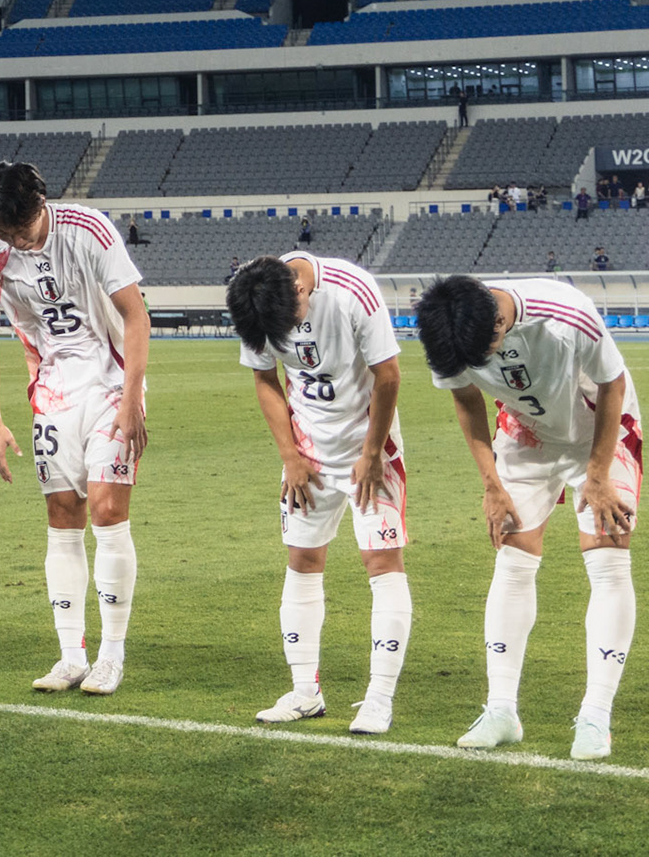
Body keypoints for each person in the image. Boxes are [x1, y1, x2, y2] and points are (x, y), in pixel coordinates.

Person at [416, 276, 640, 761]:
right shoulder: (449, 332)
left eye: (487, 351)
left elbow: (612, 383)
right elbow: (465, 398)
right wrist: (491, 483)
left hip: (598, 426)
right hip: (525, 432)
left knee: (606, 557)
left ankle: (596, 717)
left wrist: (598, 473)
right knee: (512, 558)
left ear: (499, 322)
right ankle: (501, 711)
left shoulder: (566, 314)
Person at [0, 161, 150, 696]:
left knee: (108, 509)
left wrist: (133, 398)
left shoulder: (88, 230)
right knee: (62, 513)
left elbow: (135, 315)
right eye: (2, 232)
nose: (13, 241)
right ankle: (72, 655)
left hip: (114, 380)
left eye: (18, 230)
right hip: (52, 388)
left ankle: (111, 656)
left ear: (40, 208)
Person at [226, 254, 411, 735]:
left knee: (381, 561)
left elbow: (388, 374)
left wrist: (372, 454)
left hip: (370, 446)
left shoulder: (354, 291)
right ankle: (306, 692)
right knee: (303, 559)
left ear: (301, 290)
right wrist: (290, 455)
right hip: (308, 449)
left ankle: (379, 699)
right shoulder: (257, 299)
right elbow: (265, 379)